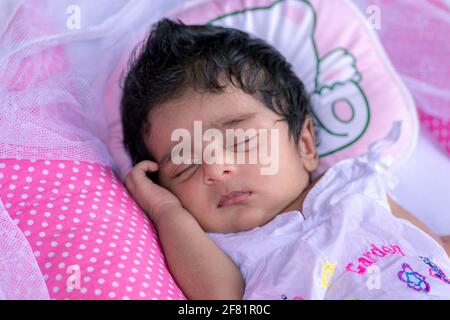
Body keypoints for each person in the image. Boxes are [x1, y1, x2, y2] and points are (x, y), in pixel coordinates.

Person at [120, 18, 450, 299]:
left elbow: (431, 248)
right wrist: (166, 212)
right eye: (186, 165)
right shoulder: (226, 250)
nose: (218, 169)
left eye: (242, 139)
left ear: (305, 143)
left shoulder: (355, 183)